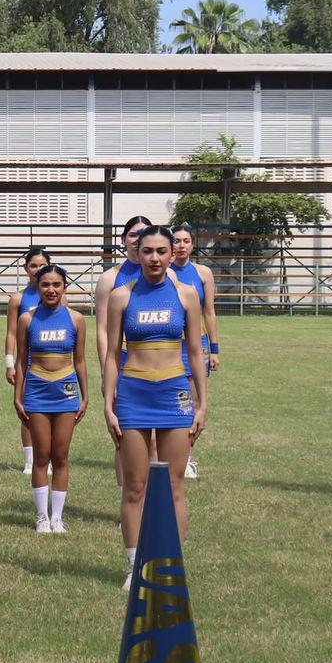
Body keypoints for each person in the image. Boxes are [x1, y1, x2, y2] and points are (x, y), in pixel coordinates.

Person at [103, 226, 207, 589]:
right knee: (135, 487)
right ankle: (135, 567)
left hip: (174, 395)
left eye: (162, 251)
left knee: (174, 485)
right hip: (133, 396)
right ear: (137, 252)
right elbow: (112, 355)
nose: (155, 258)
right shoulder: (122, 296)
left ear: (172, 254)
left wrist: (202, 403)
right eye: (148, 251)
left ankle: (170, 565)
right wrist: (108, 402)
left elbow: (195, 352)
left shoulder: (187, 294)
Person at [14, 263, 88, 534]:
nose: (51, 290)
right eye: (45, 284)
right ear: (38, 287)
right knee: (41, 455)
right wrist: (18, 396)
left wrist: (85, 396)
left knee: (61, 455)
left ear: (64, 287)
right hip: (37, 392)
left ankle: (57, 517)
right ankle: (41, 516)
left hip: (66, 393)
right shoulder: (27, 319)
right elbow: (22, 361)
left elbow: (80, 361)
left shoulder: (76, 319)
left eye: (57, 284)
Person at [93, 216, 154, 531]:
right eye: (133, 234)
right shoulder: (110, 278)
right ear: (123, 240)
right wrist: (109, 373)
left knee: (154, 442)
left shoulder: (165, 274)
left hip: (156, 368)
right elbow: (103, 330)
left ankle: (151, 507)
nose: (138, 238)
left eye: (144, 233)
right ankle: (127, 505)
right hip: (123, 366)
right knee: (124, 440)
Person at [168, 225, 221, 481]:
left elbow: (209, 312)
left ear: (192, 244)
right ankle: (164, 455)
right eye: (176, 241)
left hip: (196, 344)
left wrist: (215, 349)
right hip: (169, 344)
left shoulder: (203, 273)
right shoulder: (164, 271)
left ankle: (187, 459)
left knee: (193, 402)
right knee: (170, 400)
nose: (181, 245)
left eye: (186, 241)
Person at [4, 246, 51, 474]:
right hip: (27, 362)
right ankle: (30, 461)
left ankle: (47, 458)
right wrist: (9, 363)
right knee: (27, 411)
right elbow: (11, 333)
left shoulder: (57, 296)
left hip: (50, 361)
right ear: (25, 269)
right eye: (33, 265)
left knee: (50, 410)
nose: (38, 269)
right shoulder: (18, 298)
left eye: (42, 265)